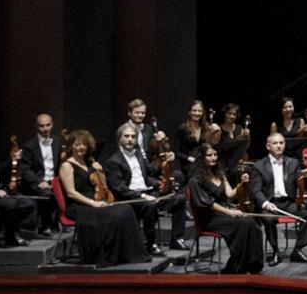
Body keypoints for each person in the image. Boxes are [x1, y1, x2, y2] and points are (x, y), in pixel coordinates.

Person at [56, 131, 149, 266]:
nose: (81, 147)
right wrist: (93, 203)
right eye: (77, 144)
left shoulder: (88, 163)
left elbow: (100, 184)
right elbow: (71, 193)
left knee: (126, 209)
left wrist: (99, 171)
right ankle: (107, 255)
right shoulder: (67, 166)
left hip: (95, 201)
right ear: (71, 146)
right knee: (118, 214)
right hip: (79, 206)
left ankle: (126, 254)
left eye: (84, 144)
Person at [104, 123, 183, 256]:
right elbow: (119, 189)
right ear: (120, 139)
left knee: (179, 198)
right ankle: (151, 244)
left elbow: (150, 172)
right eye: (127, 136)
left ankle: (176, 238)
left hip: (147, 192)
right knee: (150, 206)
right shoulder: (114, 161)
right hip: (129, 199)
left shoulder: (139, 154)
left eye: (133, 137)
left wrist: (165, 160)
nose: (130, 139)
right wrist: (142, 196)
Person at [188, 143, 264, 275]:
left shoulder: (219, 173)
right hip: (210, 218)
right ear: (201, 157)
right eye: (209, 155)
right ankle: (236, 265)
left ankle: (252, 263)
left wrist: (241, 184)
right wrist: (230, 212)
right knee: (244, 223)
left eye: (215, 155)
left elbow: (229, 194)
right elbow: (208, 204)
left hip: (224, 214)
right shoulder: (195, 180)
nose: (213, 158)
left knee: (252, 222)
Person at [249, 131, 307, 264]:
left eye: (281, 143)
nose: (279, 146)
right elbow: (256, 190)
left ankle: (298, 250)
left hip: (288, 203)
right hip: (271, 203)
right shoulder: (258, 166)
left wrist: (306, 177)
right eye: (275, 143)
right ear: (268, 146)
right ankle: (275, 251)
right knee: (268, 218)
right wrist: (266, 203)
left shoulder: (293, 163)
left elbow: (298, 182)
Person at [18, 113, 65, 236]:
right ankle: (45, 225)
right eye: (42, 126)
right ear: (36, 126)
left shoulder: (57, 142)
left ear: (52, 125)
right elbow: (25, 169)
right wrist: (39, 182)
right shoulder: (29, 146)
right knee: (48, 195)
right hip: (37, 181)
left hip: (53, 180)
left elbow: (59, 164)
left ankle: (57, 221)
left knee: (70, 190)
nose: (45, 129)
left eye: (48, 125)